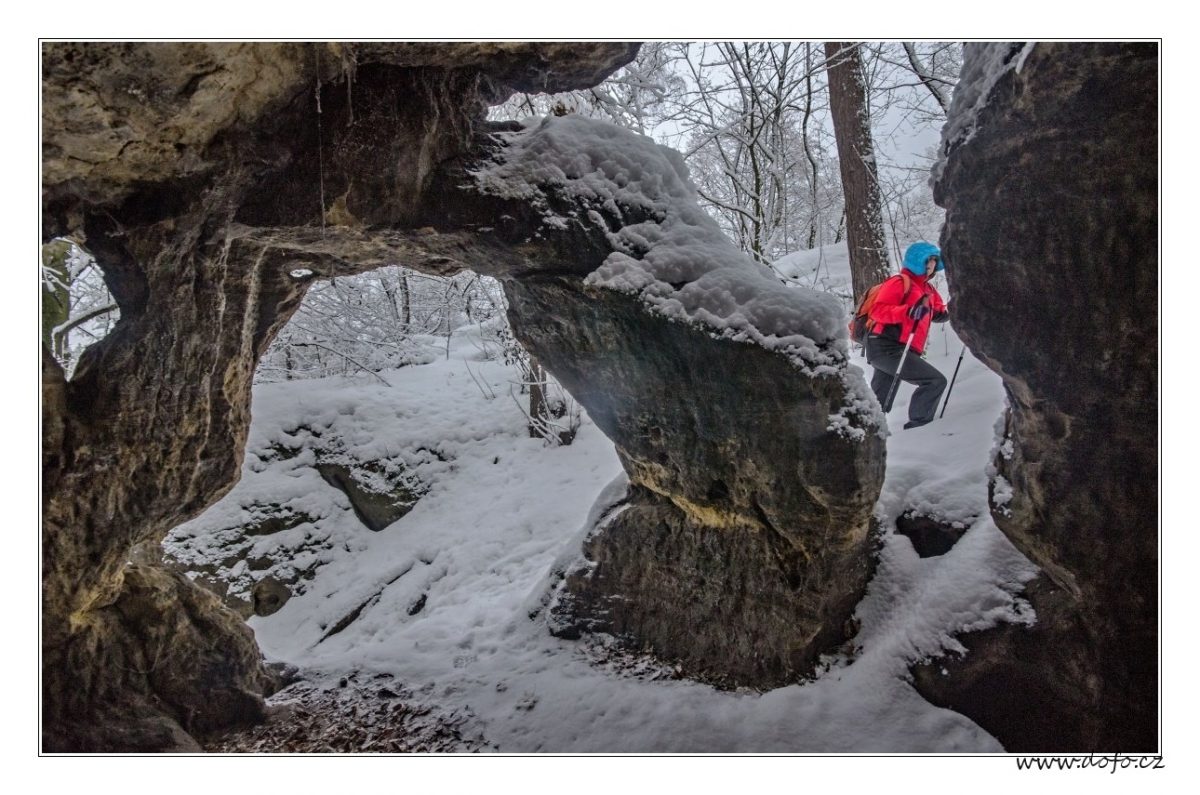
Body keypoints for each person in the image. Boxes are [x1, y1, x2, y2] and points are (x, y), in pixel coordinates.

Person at [866, 242, 950, 429]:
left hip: (903, 348)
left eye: (934, 262)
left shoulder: (928, 291)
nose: (931, 266)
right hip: (886, 346)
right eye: (927, 260)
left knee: (880, 402)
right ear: (915, 261)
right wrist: (908, 311)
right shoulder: (899, 282)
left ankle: (867, 433)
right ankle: (919, 429)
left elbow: (939, 314)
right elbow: (877, 311)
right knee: (934, 381)